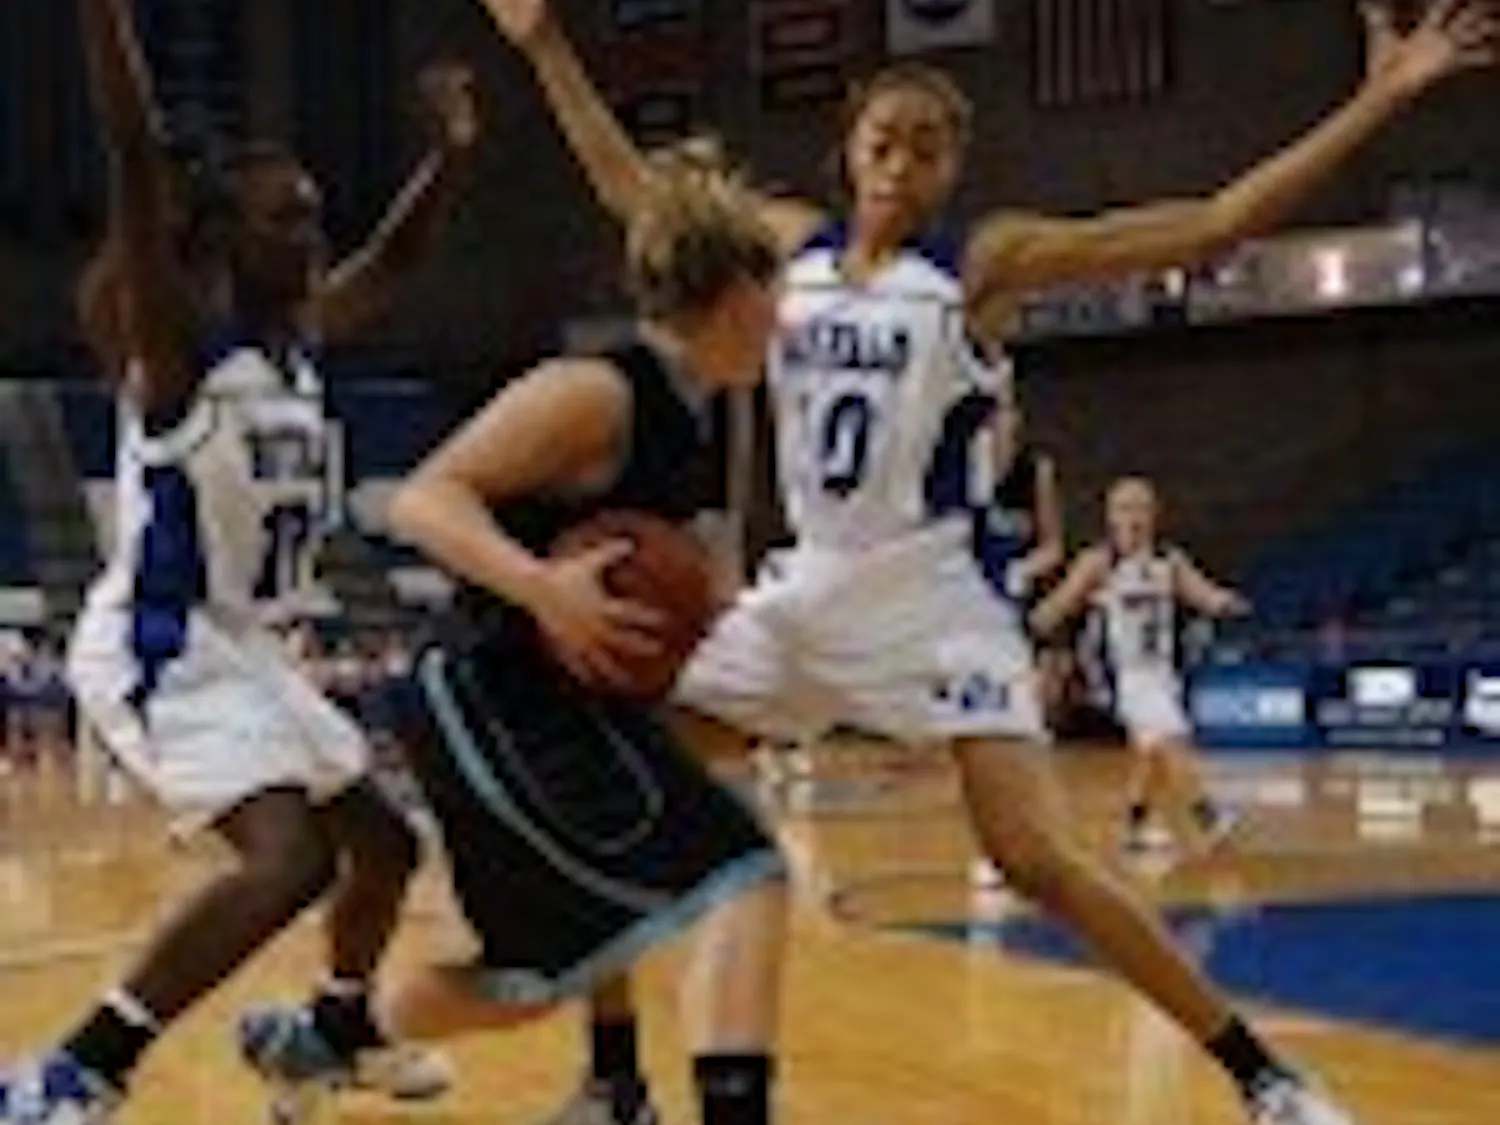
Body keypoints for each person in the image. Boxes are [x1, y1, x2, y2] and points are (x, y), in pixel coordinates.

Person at [471, 1, 1499, 1123]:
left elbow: (1213, 223)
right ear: (849, 150)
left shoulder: (984, 263)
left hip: (939, 604)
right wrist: (547, 46)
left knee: (1035, 860)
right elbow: (638, 196)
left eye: (927, 147)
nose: (901, 163)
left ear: (954, 166)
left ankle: (1265, 1075)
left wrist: (1380, 96)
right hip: (809, 589)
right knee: (608, 765)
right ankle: (616, 1077)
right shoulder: (784, 248)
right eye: (884, 140)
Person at [238, 145, 789, 1125]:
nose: (782, 318)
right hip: (489, 696)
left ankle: (327, 1040)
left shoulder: (696, 417)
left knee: (528, 979)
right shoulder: (599, 390)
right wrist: (543, 588)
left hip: (548, 705)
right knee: (744, 872)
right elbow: (423, 499)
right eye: (774, 292)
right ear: (736, 289)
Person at [0, 3, 478, 1122]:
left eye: (313, 216)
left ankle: (328, 1035)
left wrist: (451, 156)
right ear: (222, 237)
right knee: (289, 861)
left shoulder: (298, 347)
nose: (310, 237)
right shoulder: (178, 352)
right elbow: (133, 153)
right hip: (160, 648)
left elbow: (395, 258)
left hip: (250, 653)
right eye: (285, 220)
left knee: (386, 846)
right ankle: (75, 1071)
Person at [1031, 477, 1250, 854]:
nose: (1133, 517)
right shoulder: (1099, 562)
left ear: (1154, 514)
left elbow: (1201, 593)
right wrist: (1018, 627)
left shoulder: (1168, 559)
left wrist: (1227, 602)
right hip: (1121, 675)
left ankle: (1133, 828)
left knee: (1150, 751)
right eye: (1124, 508)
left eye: (1140, 508)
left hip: (1162, 672)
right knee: (1172, 740)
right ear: (1110, 516)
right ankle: (1207, 816)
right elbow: (1056, 607)